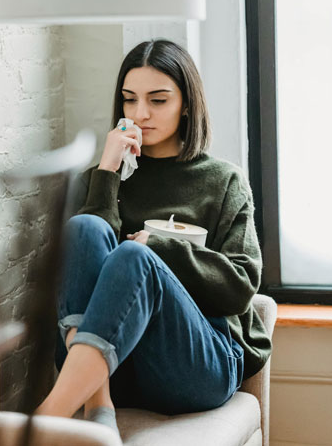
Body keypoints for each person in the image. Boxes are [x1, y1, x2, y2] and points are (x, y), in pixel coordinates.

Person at [34, 39, 272, 436]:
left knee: (134, 257)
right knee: (83, 227)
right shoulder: (100, 179)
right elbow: (81, 272)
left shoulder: (223, 181)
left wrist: (157, 247)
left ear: (187, 104)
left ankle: (47, 418)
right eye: (129, 100)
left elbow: (240, 285)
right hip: (118, 370)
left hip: (197, 365)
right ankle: (98, 405)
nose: (140, 113)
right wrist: (108, 171)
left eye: (158, 100)